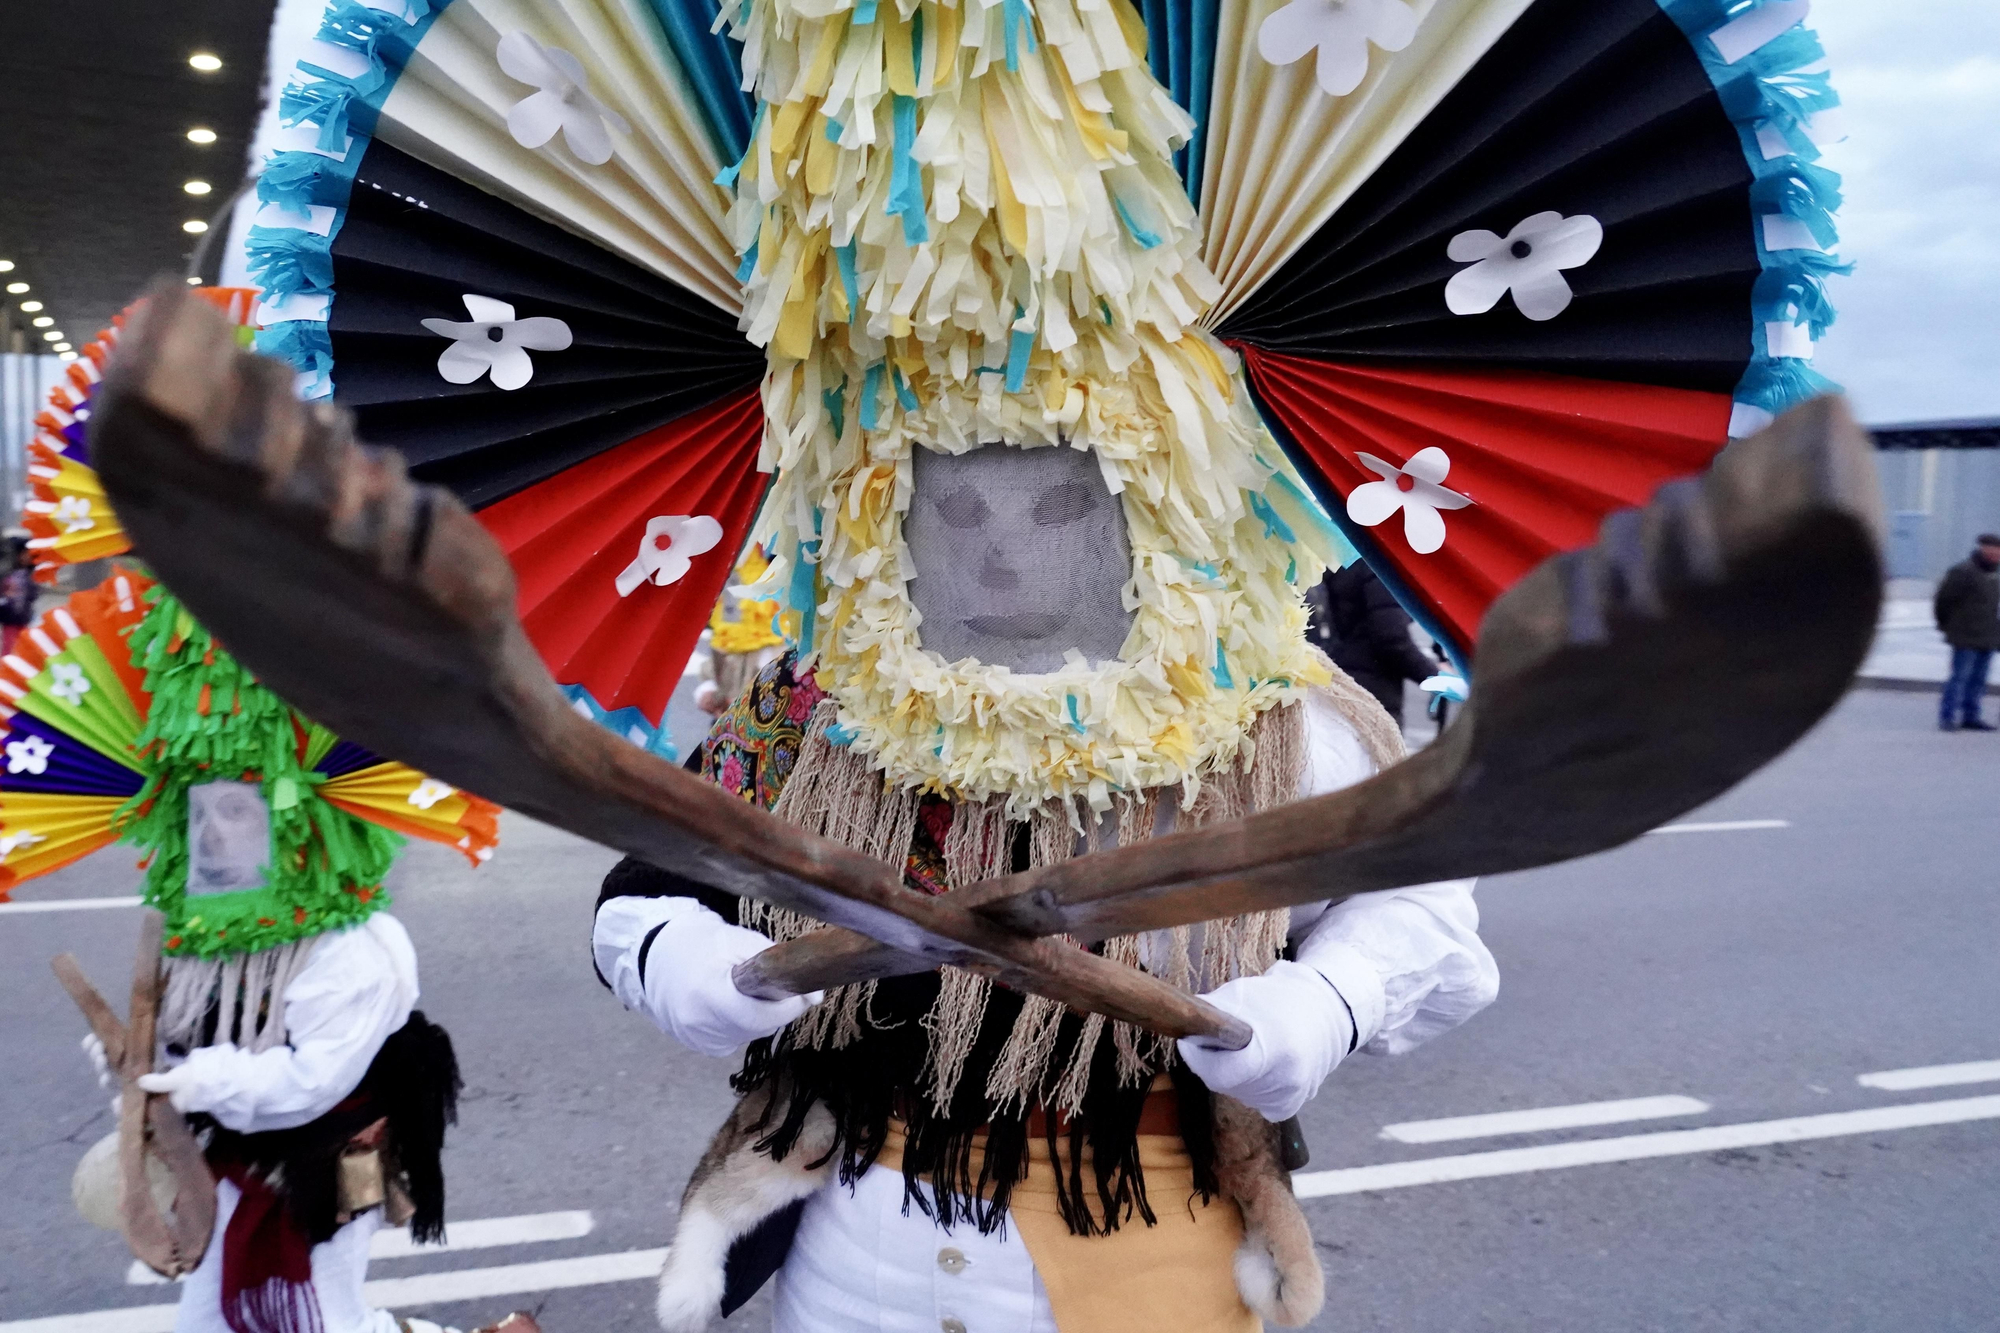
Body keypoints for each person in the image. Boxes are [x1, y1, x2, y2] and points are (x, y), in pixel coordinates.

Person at [1307, 561, 1445, 728]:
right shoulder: (1379, 565)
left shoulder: (1343, 557)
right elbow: (1392, 638)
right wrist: (1436, 676)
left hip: (1336, 683)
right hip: (1374, 694)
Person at [1932, 533, 2000, 731]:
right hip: (1965, 636)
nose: (1996, 554)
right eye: (1992, 549)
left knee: (1979, 680)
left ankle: (1971, 716)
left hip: (1987, 636)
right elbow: (1942, 601)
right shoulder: (1962, 572)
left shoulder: (1994, 574)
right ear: (1982, 549)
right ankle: (1948, 717)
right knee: (1959, 678)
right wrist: (1947, 626)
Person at [0, 534, 37, 654]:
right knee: (11, 650)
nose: (29, 557)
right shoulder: (11, 574)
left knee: (21, 649)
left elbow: (31, 596)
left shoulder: (26, 575)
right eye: (26, 553)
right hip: (11, 619)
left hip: (22, 619)